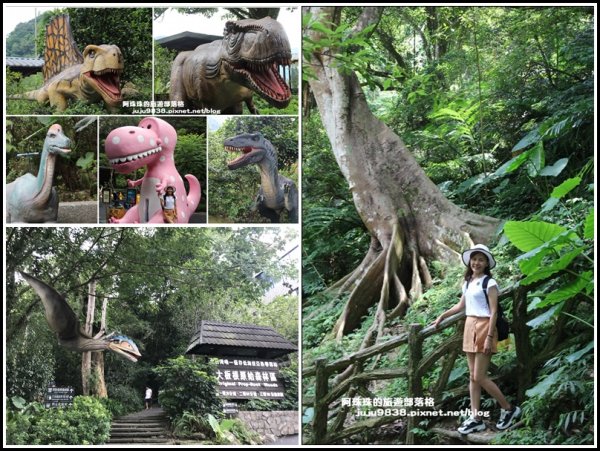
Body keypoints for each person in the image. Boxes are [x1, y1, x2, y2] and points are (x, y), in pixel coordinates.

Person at [434, 244, 520, 434]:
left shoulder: (489, 283)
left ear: (487, 263)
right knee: (473, 377)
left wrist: (490, 337)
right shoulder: (467, 282)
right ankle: (476, 418)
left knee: (479, 376)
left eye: (481, 259)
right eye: (474, 259)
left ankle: (509, 408)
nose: (476, 262)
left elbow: (494, 311)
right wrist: (442, 316)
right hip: (469, 326)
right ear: (470, 261)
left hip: (484, 327)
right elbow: (460, 306)